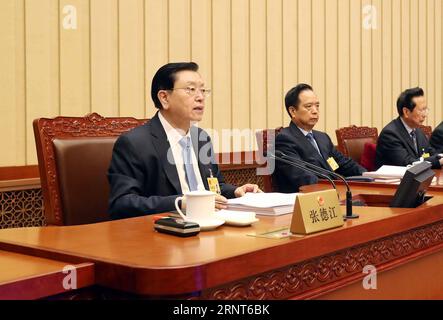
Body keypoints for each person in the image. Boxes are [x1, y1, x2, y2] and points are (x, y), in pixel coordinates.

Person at [108, 62, 261, 219]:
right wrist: (180, 202)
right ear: (164, 98)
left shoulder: (201, 139)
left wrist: (236, 191)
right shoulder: (134, 143)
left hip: (212, 223)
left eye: (202, 90)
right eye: (191, 90)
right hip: (165, 231)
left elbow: (214, 187)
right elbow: (122, 203)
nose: (200, 97)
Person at [272, 83, 366, 193]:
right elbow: (303, 177)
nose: (315, 111)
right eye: (308, 106)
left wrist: (369, 176)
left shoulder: (322, 137)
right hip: (307, 199)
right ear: (293, 111)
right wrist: (337, 188)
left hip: (334, 192)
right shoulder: (284, 139)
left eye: (317, 106)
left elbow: (343, 163)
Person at [375, 87, 443, 169]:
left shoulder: (417, 130)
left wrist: (439, 157)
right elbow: (407, 163)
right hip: (393, 181)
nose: (425, 115)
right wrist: (437, 160)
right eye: (421, 110)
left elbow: (431, 153)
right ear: (406, 112)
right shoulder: (390, 134)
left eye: (426, 109)